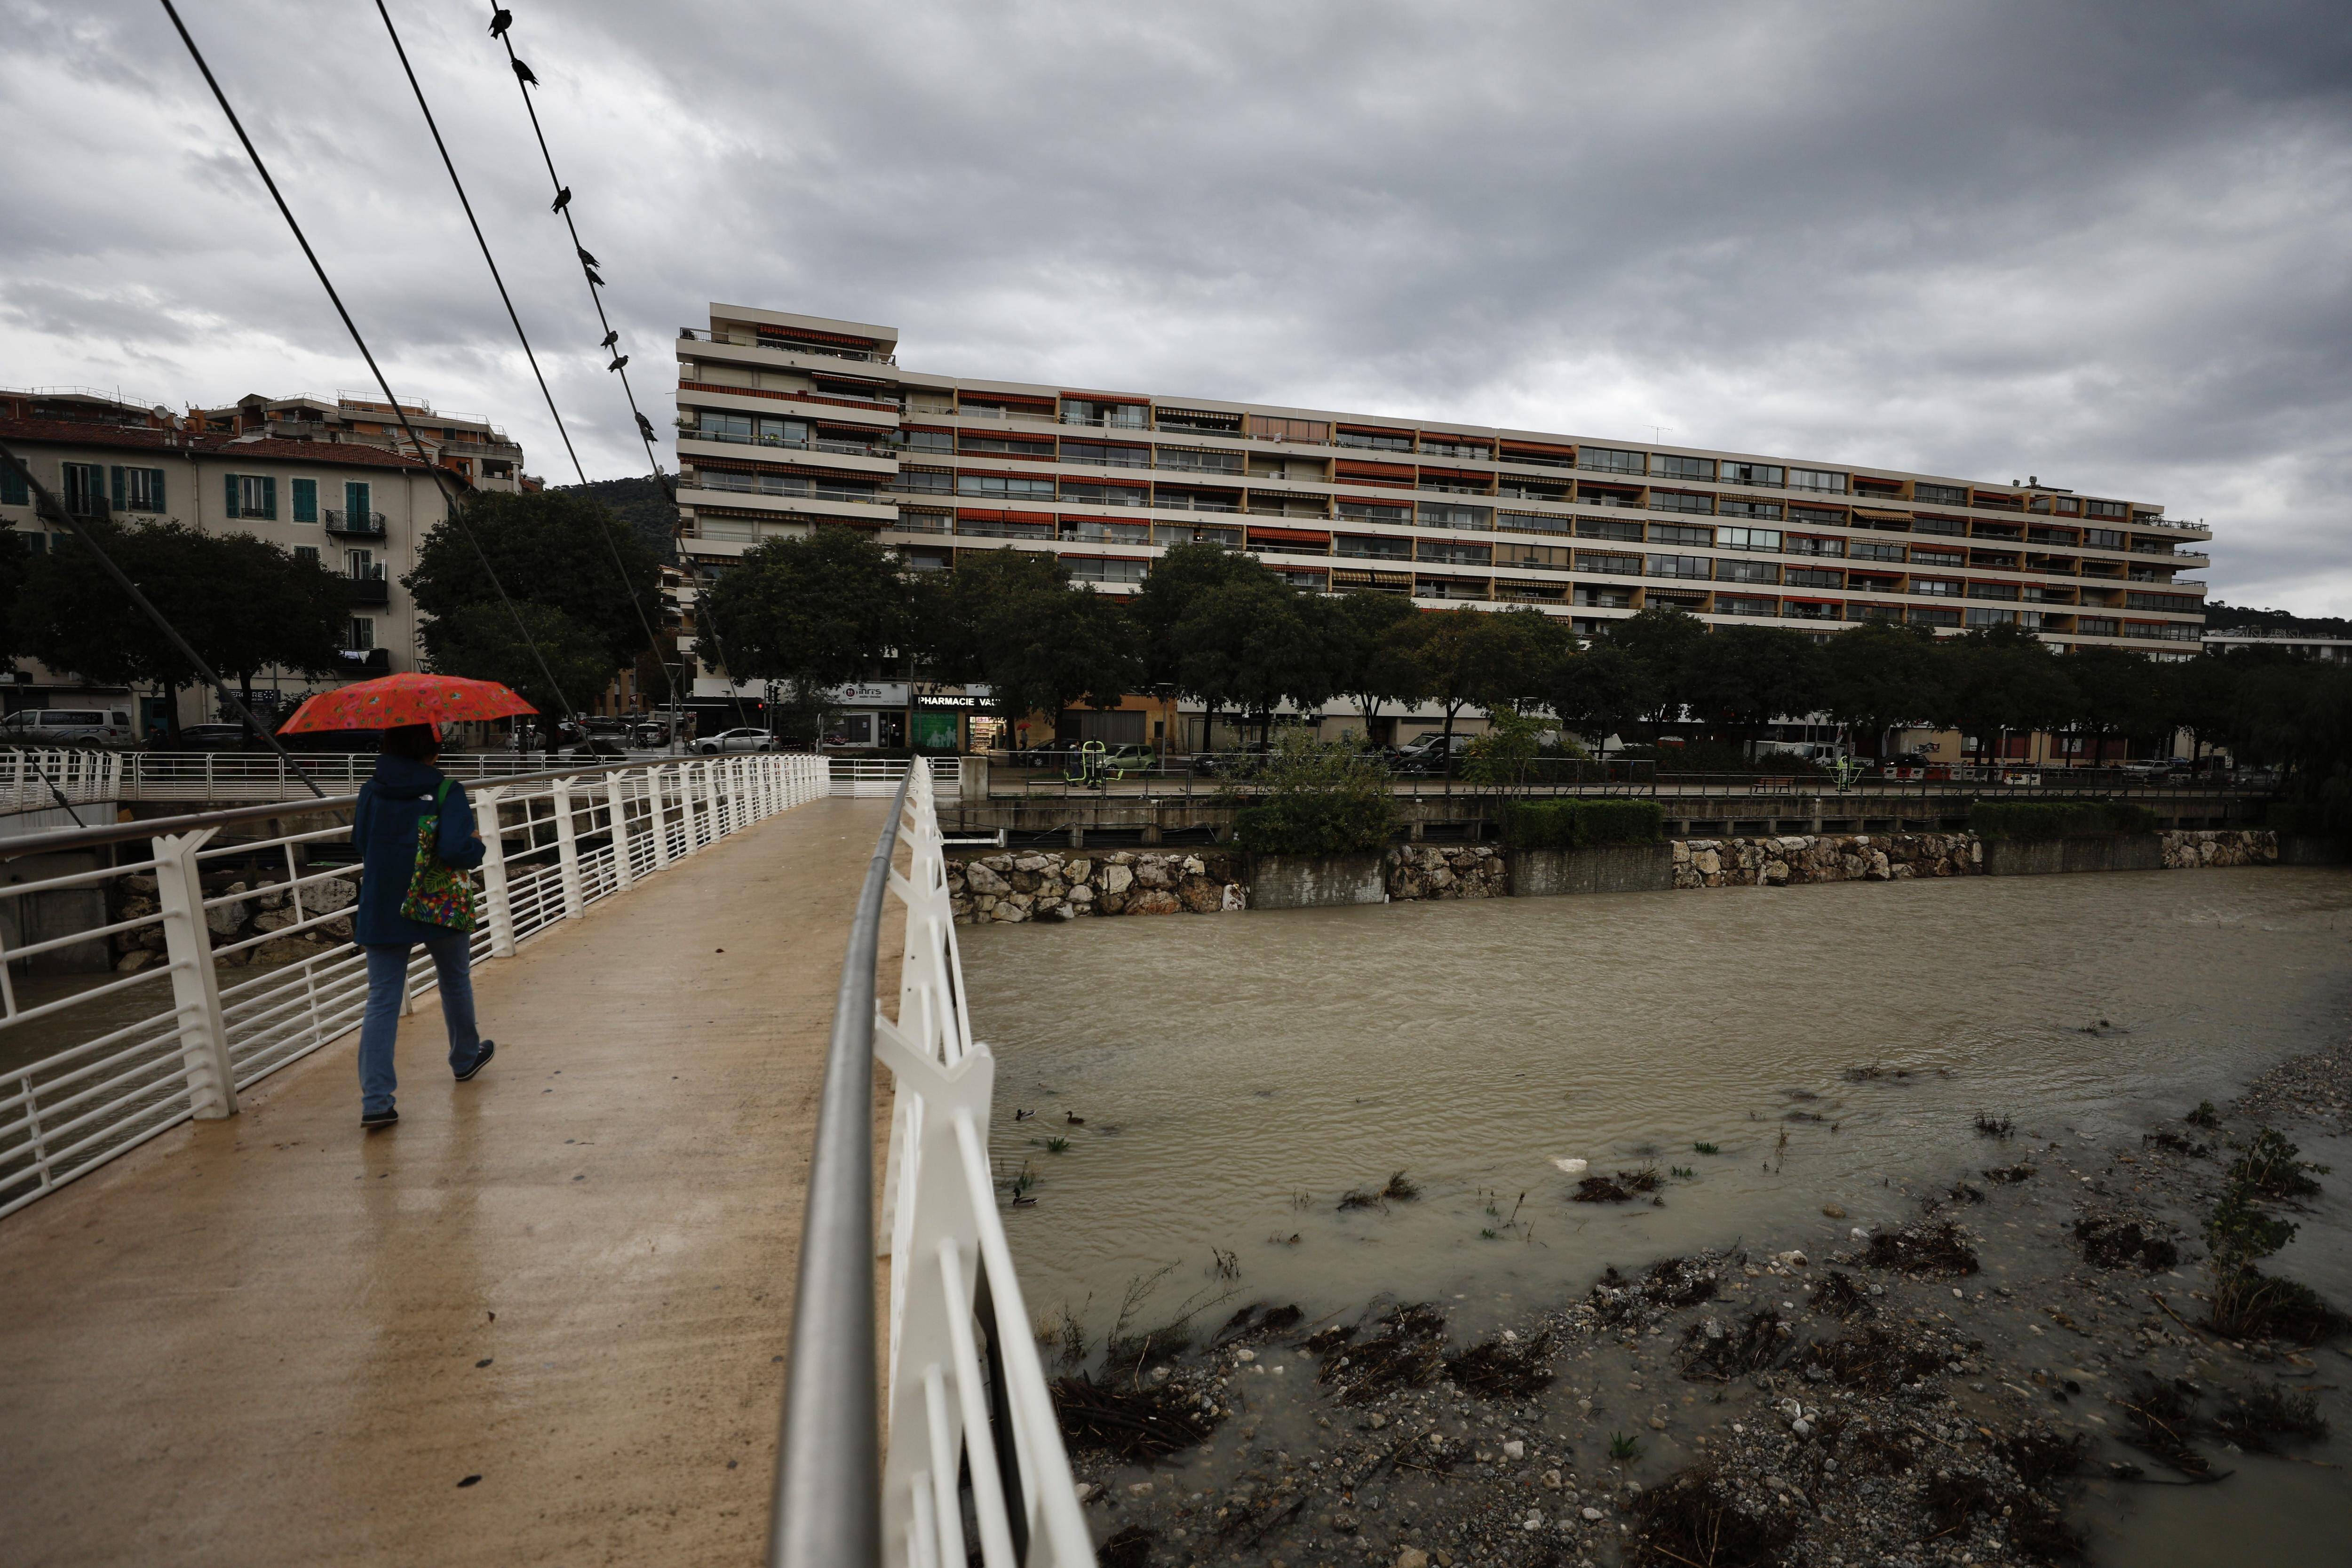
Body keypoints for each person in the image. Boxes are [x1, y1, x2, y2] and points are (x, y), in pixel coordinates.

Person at [351, 722, 493, 1128]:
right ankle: (464, 1058)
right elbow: (454, 848)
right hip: (438, 902)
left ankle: (377, 1101)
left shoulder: (370, 789)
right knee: (454, 980)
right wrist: (477, 844)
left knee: (382, 999)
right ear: (431, 751)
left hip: (382, 904)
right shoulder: (447, 790)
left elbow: (361, 841)